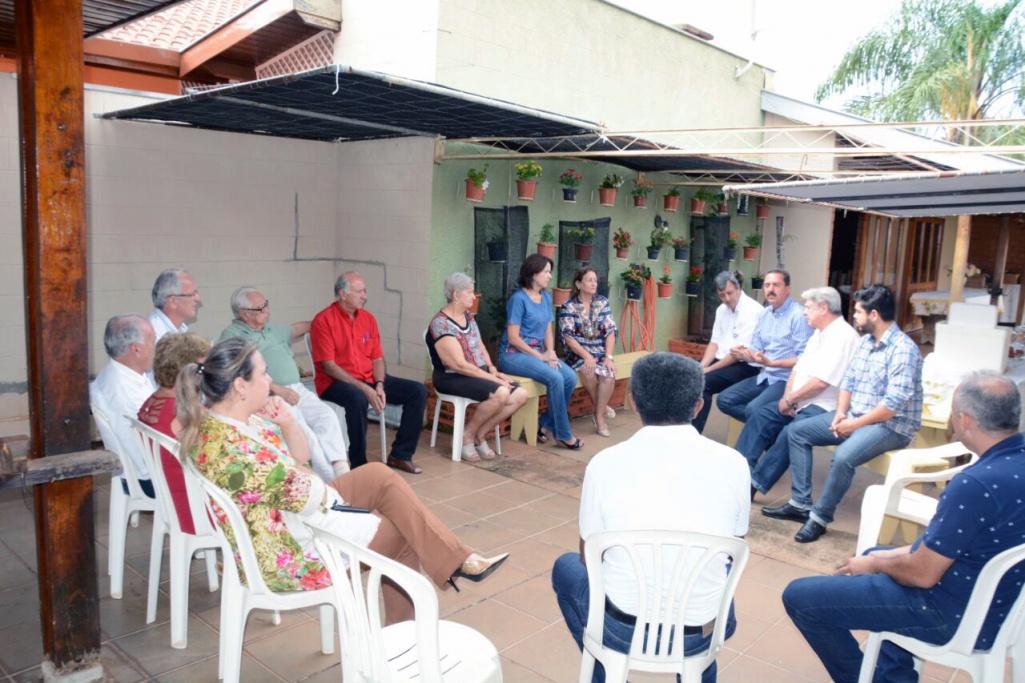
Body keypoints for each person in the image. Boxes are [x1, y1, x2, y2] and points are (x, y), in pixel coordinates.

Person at [176, 337, 509, 624]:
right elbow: (312, 493)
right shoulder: (238, 451)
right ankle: (403, 638)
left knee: (378, 475)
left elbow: (301, 461)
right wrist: (304, 473)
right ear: (240, 386)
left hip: (291, 516)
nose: (270, 379)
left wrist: (288, 423)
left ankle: (458, 560)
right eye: (263, 372)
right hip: (290, 553)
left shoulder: (233, 422)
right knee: (402, 531)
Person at [783, 372, 1025, 683]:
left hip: (954, 615)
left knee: (800, 598)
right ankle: (895, 677)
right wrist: (879, 558)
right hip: (1002, 603)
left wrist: (873, 565)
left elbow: (922, 574)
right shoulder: (1013, 464)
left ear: (964, 420)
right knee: (876, 554)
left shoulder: (974, 485)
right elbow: (956, 543)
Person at [552, 353, 750, 683]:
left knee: (566, 567)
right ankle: (698, 671)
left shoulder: (604, 463)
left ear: (634, 402)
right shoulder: (735, 463)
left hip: (622, 629)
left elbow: (589, 557)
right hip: (701, 631)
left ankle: (608, 672)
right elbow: (734, 545)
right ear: (698, 407)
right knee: (718, 573)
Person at [763, 284, 923, 544]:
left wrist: (854, 424)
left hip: (891, 426)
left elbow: (892, 406)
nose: (854, 317)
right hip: (856, 416)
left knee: (843, 457)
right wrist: (840, 414)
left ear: (873, 315)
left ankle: (819, 518)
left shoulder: (903, 350)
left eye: (858, 312)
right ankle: (800, 504)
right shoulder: (867, 342)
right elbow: (848, 380)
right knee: (796, 432)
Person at [737, 287, 860, 500]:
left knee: (790, 432)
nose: (804, 312)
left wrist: (791, 399)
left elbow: (820, 383)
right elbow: (797, 369)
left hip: (824, 407)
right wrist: (787, 399)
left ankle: (753, 485)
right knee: (760, 415)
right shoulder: (819, 333)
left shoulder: (843, 336)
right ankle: (737, 472)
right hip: (799, 401)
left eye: (808, 307)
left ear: (823, 308)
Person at [219, 286, 350, 480]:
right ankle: (330, 479)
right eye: (261, 308)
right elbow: (239, 372)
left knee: (327, 416)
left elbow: (296, 329)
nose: (267, 310)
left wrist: (325, 320)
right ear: (244, 314)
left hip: (297, 389)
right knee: (303, 429)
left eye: (266, 304)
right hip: (268, 394)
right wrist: (277, 389)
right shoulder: (233, 336)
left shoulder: (271, 329)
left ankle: (342, 470)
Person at [310, 272, 428, 474]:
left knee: (418, 391)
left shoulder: (368, 318)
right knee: (357, 398)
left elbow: (377, 358)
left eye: (364, 291)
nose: (364, 296)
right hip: (335, 382)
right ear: (343, 294)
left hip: (370, 378)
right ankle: (358, 463)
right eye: (359, 292)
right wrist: (365, 389)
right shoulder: (323, 321)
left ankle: (401, 454)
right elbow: (329, 366)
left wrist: (379, 384)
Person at [426, 272, 528, 461]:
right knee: (501, 393)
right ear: (456, 295)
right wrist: (494, 379)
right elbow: (460, 365)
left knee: (520, 394)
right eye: (470, 292)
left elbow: (479, 345)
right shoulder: (441, 324)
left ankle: (480, 435)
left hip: (478, 373)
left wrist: (492, 368)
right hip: (452, 377)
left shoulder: (468, 317)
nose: (474, 297)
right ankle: (466, 436)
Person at [499, 253, 583, 449]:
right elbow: (513, 338)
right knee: (555, 378)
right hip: (513, 355)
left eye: (550, 272)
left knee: (570, 377)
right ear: (533, 273)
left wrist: (551, 352)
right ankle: (563, 435)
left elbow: (547, 329)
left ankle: (545, 424)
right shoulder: (518, 299)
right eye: (546, 272)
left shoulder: (545, 297)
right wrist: (542, 357)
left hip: (538, 354)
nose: (549, 276)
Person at [716, 269, 812, 426]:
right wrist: (744, 354)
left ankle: (765, 427)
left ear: (788, 288)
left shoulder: (798, 315)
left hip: (787, 380)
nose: (770, 289)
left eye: (776, 285)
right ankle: (770, 427)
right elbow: (756, 350)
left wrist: (771, 363)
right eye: (767, 285)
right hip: (767, 376)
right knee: (725, 400)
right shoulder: (764, 314)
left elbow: (805, 359)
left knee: (754, 409)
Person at [137, 332, 211, 533]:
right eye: (201, 369)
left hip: (173, 503)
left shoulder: (153, 402)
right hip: (196, 510)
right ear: (185, 372)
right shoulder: (181, 413)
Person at [90, 314, 158, 497]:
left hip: (142, 471)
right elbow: (148, 454)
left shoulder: (119, 372)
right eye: (153, 341)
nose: (156, 347)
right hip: (150, 480)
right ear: (135, 349)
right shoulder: (125, 393)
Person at [692, 271, 764, 433]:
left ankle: (694, 434)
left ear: (738, 288)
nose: (726, 299)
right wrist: (701, 366)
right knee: (686, 373)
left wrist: (708, 370)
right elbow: (714, 343)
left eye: (730, 293)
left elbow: (736, 354)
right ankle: (680, 428)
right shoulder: (721, 310)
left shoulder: (753, 311)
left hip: (743, 365)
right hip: (721, 360)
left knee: (703, 383)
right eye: (722, 295)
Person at [558, 267, 619, 437]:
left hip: (600, 351)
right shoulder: (569, 306)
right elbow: (568, 337)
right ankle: (600, 415)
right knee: (588, 370)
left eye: (595, 280)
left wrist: (608, 357)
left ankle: (598, 413)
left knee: (608, 374)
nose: (594, 284)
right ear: (578, 284)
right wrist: (586, 356)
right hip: (578, 353)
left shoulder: (602, 302)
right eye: (589, 280)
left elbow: (610, 331)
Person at [149, 269, 202, 342]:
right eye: (192, 294)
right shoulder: (155, 337)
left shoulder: (178, 329)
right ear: (173, 301)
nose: (198, 299)